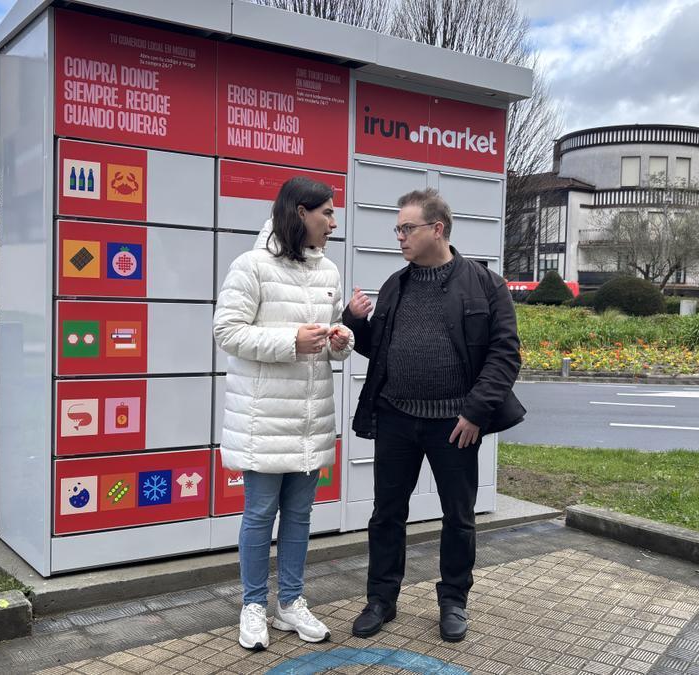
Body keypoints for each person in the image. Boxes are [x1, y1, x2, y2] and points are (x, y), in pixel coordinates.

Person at [342, 188, 525, 643]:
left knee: (458, 517)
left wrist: (476, 412)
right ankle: (381, 600)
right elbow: (379, 351)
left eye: (407, 228)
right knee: (386, 514)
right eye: (398, 229)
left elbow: (505, 355)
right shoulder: (395, 285)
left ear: (436, 229)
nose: (399, 237)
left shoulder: (485, 284)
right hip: (397, 418)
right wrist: (354, 322)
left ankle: (453, 602)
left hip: (455, 424)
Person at [213, 176, 353, 650]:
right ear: (300, 213)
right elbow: (227, 332)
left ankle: (290, 604)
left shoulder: (328, 272)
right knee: (259, 514)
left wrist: (341, 341)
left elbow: (329, 338)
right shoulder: (250, 265)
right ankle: (254, 607)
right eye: (327, 214)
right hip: (262, 419)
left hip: (310, 419)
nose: (334, 223)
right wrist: (289, 342)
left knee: (299, 516)